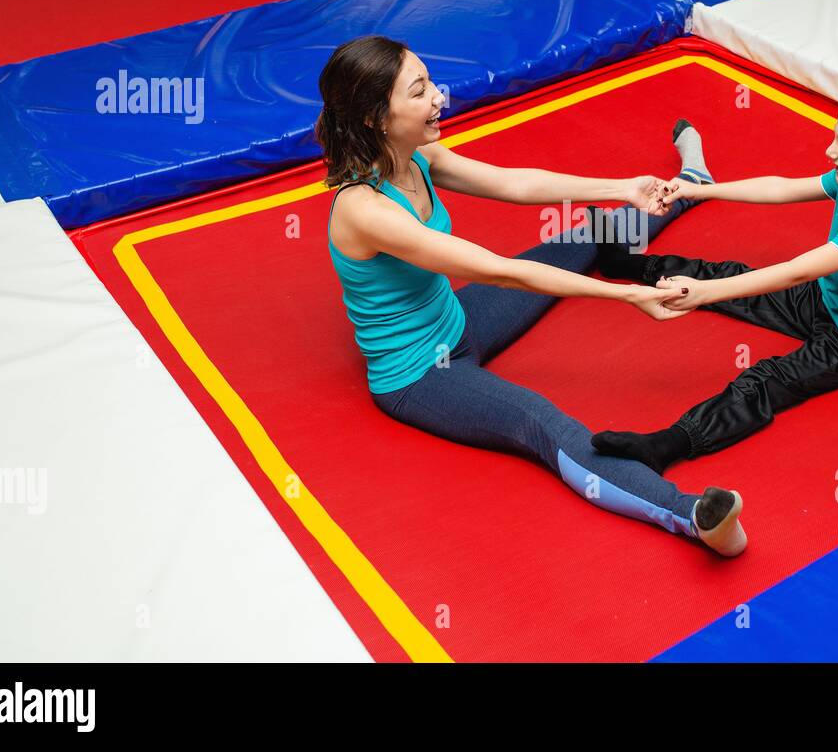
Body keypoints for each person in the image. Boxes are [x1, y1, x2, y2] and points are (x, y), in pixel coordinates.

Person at [318, 34, 747, 556]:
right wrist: (628, 297)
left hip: (456, 322)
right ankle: (693, 517)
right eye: (419, 91)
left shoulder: (417, 155)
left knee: (582, 236)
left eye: (430, 81)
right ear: (375, 118)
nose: (439, 97)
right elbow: (504, 273)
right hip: (419, 374)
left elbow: (515, 184)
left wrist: (623, 187)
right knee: (543, 424)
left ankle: (692, 181)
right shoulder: (364, 210)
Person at [591, 89, 838, 474]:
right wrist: (698, 190)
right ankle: (627, 265)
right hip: (831, 297)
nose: (829, 151)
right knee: (731, 274)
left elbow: (797, 271)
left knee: (764, 380)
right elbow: (781, 188)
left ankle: (668, 443)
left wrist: (704, 294)